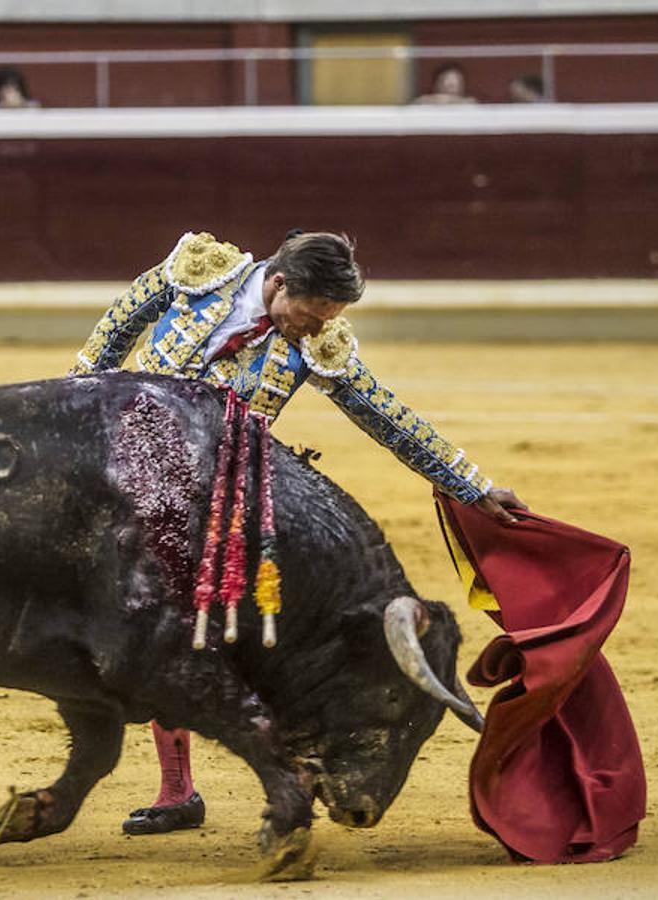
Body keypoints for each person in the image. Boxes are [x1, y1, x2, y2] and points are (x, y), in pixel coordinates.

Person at [70, 230, 523, 835]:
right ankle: (181, 781)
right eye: (308, 317)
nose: (313, 331)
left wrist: (471, 485)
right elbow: (116, 330)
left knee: (188, 626)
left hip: (218, 498)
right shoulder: (198, 272)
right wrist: (69, 408)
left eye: (324, 321)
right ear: (278, 283)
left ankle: (202, 786)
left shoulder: (319, 344)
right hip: (133, 474)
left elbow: (387, 417)